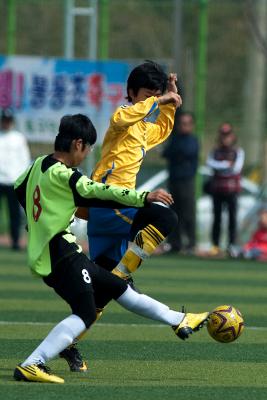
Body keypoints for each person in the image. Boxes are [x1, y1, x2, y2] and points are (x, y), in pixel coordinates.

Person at [13, 113, 208, 383]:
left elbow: (18, 187)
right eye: (88, 148)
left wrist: (36, 221)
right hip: (61, 252)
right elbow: (103, 192)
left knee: (118, 287)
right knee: (86, 312)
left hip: (53, 252)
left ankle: (180, 319)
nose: (87, 154)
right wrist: (144, 197)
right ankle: (33, 363)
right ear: (78, 144)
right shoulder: (67, 176)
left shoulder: (37, 165)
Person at [86, 61, 182, 280]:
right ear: (131, 92)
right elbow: (120, 118)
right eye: (148, 96)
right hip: (108, 200)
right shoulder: (123, 116)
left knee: (101, 290)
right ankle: (121, 275)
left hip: (121, 202)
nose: (153, 102)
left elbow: (163, 130)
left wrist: (168, 102)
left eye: (155, 96)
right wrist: (159, 100)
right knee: (166, 218)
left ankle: (117, 281)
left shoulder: (143, 128)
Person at [162, 111, 199, 253]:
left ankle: (191, 243)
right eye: (182, 123)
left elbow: (184, 152)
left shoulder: (192, 140)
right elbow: (167, 153)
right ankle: (174, 243)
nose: (184, 126)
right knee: (174, 212)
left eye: (187, 123)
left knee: (188, 212)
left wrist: (174, 152)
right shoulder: (175, 139)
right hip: (174, 181)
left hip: (187, 182)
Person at [206, 123, 245, 255]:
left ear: (232, 136)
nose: (225, 138)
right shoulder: (215, 151)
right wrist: (225, 165)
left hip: (232, 191)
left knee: (232, 219)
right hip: (217, 190)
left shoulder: (238, 152)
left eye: (227, 135)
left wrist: (220, 167)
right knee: (217, 219)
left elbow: (236, 169)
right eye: (223, 135)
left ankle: (231, 245)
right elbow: (210, 164)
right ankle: (215, 245)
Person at [0, 108, 31, 249]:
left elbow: (24, 160)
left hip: (14, 180)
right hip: (0, 180)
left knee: (15, 214)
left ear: (12, 122)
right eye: (4, 120)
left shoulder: (19, 138)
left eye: (8, 121)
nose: (6, 123)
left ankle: (15, 242)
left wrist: (22, 179)